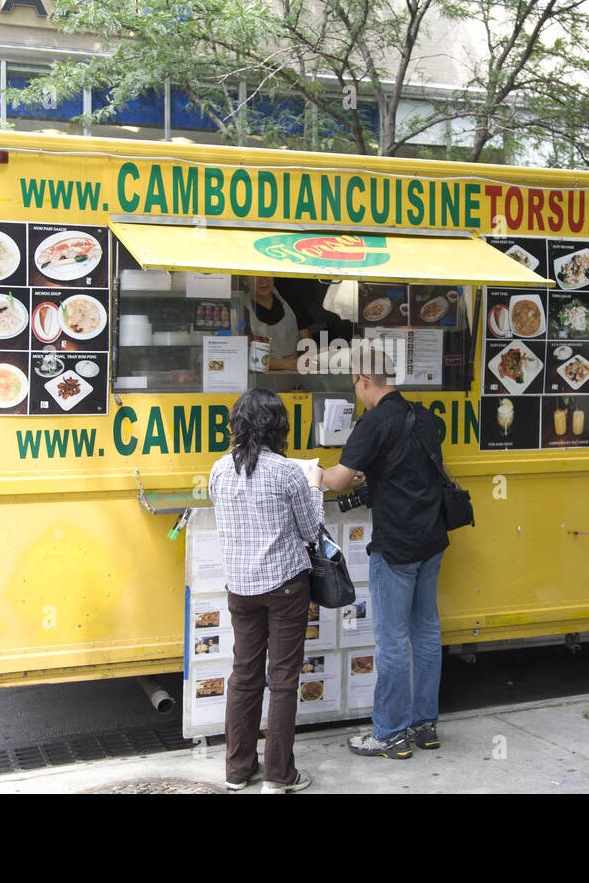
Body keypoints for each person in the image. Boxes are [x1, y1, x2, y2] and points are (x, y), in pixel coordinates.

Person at [317, 341, 448, 759]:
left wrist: (306, 472)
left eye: (354, 383)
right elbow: (409, 468)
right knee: (425, 632)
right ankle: (424, 726)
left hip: (395, 546)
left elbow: (336, 480)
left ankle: (389, 732)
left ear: (363, 379)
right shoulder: (424, 417)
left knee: (391, 641)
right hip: (433, 539)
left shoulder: (373, 423)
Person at [209, 388, 325, 792]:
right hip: (286, 587)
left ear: (237, 424)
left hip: (240, 588)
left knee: (243, 675)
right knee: (283, 679)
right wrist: (316, 487)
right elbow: (312, 533)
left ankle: (238, 771)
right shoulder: (288, 471)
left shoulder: (219, 470)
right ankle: (280, 775)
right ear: (279, 426)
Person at [242, 275, 314, 371]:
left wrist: (318, 356)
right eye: (255, 276)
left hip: (294, 374)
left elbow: (308, 343)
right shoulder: (241, 309)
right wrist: (289, 364)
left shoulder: (289, 300)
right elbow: (244, 357)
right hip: (259, 376)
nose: (263, 281)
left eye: (267, 274)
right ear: (245, 281)